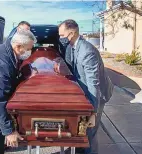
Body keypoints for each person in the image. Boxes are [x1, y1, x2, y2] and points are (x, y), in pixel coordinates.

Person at [57, 19, 114, 154]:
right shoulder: (73, 47)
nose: (60, 38)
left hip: (97, 94)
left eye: (62, 35)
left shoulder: (87, 52)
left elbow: (94, 84)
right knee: (81, 129)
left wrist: (92, 112)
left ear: (71, 33)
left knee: (89, 131)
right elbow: (71, 66)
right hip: (86, 91)